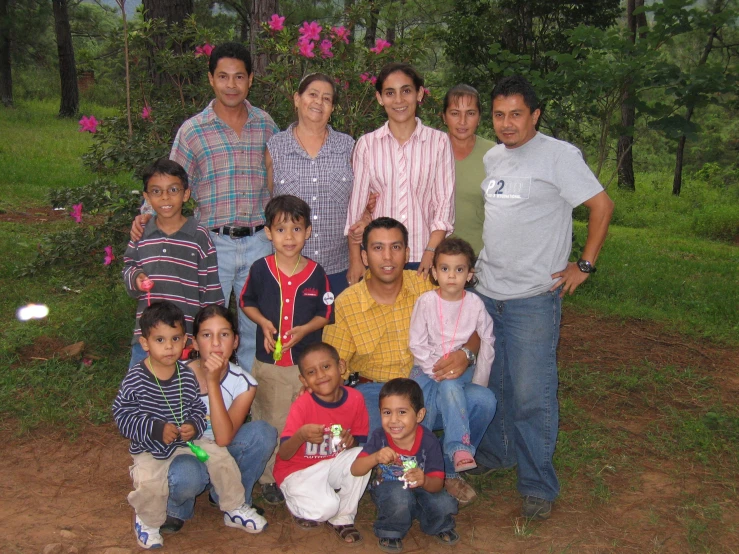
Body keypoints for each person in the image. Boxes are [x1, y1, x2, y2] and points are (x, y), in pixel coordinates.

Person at [473, 75, 614, 520]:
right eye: (499, 115)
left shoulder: (559, 155)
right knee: (494, 385)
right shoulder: (493, 157)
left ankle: (537, 483)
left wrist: (584, 264)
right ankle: (498, 454)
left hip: (533, 297)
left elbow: (601, 205)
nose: (507, 124)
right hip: (487, 292)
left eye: (517, 114)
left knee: (533, 393)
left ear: (535, 115)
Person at [323, 217, 496, 506]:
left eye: (396, 247)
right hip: (375, 393)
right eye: (378, 248)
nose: (388, 257)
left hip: (428, 387)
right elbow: (333, 369)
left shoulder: (428, 287)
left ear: (407, 252)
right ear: (364, 256)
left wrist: (465, 354)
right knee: (386, 440)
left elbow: (476, 327)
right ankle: (392, 473)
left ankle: (449, 468)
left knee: (484, 400)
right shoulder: (348, 302)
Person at [131, 42, 279, 372]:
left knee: (256, 324)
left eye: (239, 76)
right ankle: (201, 396)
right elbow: (169, 180)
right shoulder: (193, 130)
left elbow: (280, 179)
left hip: (259, 241)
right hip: (212, 243)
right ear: (211, 79)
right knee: (207, 326)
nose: (231, 85)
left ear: (250, 80)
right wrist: (145, 216)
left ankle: (245, 394)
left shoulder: (266, 125)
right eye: (223, 76)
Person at [112, 302, 264, 550]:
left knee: (221, 458)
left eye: (174, 339)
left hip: (189, 441)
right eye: (160, 340)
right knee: (150, 482)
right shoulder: (136, 378)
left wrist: (193, 425)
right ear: (145, 343)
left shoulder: (185, 376)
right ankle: (147, 522)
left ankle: (235, 506)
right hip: (151, 447)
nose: (168, 347)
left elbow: (195, 407)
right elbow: (122, 414)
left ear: (185, 341)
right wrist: (155, 429)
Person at [240, 195, 334, 504]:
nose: (289, 237)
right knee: (270, 419)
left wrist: (306, 330)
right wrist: (265, 324)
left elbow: (325, 314)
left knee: (302, 421)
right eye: (281, 230)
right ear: (268, 233)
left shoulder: (316, 273)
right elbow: (246, 302)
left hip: (305, 368)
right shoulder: (260, 269)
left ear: (308, 231)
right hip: (269, 365)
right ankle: (269, 477)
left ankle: (300, 472)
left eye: (296, 229)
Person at [162, 305, 277, 534]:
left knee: (263, 433)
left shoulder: (244, 383)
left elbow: (224, 438)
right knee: (186, 475)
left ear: (235, 341)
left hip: (223, 450)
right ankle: (177, 508)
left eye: (224, 335)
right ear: (194, 343)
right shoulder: (174, 375)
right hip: (187, 450)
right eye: (206, 335)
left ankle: (232, 501)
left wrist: (213, 383)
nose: (216, 344)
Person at [345, 63, 455, 284]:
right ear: (379, 98)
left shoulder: (439, 142)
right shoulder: (367, 145)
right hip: (379, 260)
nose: (398, 100)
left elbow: (444, 204)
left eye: (406, 91)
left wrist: (431, 251)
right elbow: (356, 209)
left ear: (419, 93)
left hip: (424, 256)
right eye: (390, 93)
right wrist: (356, 259)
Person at [267, 72, 370, 296]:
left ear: (332, 108)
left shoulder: (349, 147)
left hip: (339, 268)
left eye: (326, 98)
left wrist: (357, 257)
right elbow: (267, 202)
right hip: (288, 269)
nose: (318, 102)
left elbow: (365, 203)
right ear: (297, 99)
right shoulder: (275, 148)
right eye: (312, 94)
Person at [122, 158, 224, 369]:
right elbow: (129, 267)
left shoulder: (199, 237)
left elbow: (211, 291)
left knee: (184, 395)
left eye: (173, 189)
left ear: (186, 194)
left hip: (185, 340)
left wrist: (206, 335)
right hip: (148, 338)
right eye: (157, 191)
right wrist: (137, 278)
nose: (165, 197)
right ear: (147, 197)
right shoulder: (141, 233)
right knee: (140, 393)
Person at [409, 237, 495, 474]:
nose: (451, 276)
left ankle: (459, 448)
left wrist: (480, 380)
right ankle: (417, 456)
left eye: (459, 270)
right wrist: (435, 370)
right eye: (445, 269)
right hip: (427, 369)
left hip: (462, 372)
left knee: (452, 387)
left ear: (469, 274)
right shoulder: (426, 302)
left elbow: (488, 340)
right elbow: (416, 342)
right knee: (423, 403)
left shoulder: (475, 304)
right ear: (435, 272)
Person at [275, 342, 370, 545]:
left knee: (363, 455)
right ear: (304, 380)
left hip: (329, 466)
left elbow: (359, 442)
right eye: (311, 372)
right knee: (325, 508)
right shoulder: (303, 405)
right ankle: (294, 499)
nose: (321, 375)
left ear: (341, 367)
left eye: (326, 366)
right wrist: (300, 436)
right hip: (298, 471)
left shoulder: (355, 398)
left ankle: (343, 517)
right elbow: (283, 454)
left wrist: (351, 442)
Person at [351, 378, 459, 552]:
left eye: (402, 412)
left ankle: (437, 524)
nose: (393, 420)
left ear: (419, 415)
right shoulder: (380, 437)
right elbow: (355, 470)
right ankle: (390, 530)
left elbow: (437, 483)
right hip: (389, 488)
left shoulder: (429, 441)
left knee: (444, 504)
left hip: (422, 486)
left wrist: (424, 480)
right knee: (399, 497)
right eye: (387, 412)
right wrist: (375, 457)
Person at [442, 84, 495, 253]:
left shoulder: (494, 154)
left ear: (479, 117)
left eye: (470, 113)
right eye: (455, 113)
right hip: (433, 256)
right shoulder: (429, 150)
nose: (462, 121)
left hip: (480, 257)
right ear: (444, 117)